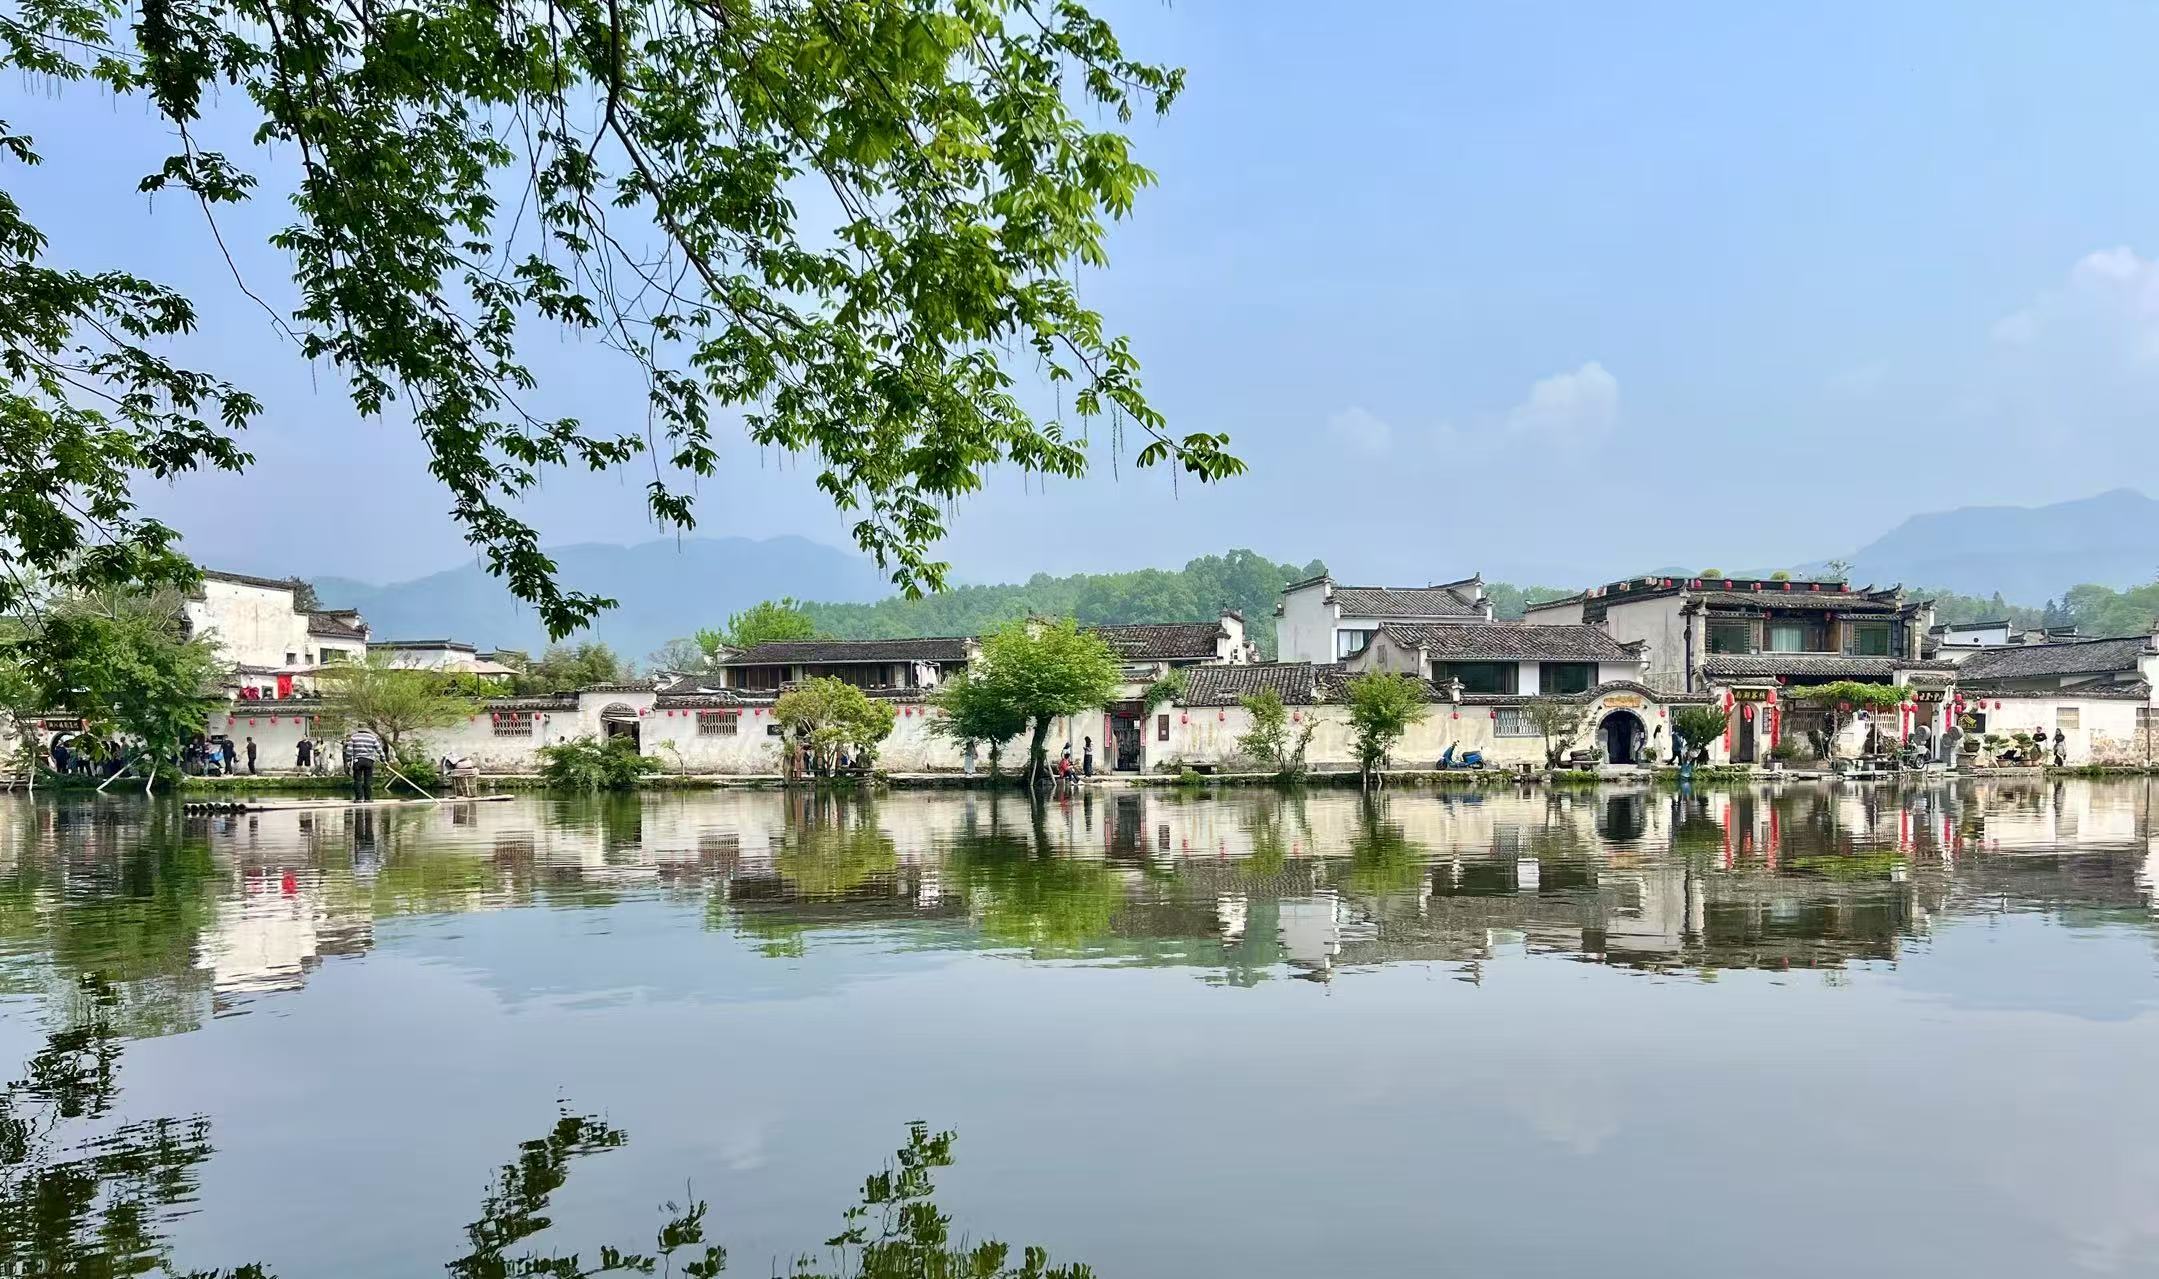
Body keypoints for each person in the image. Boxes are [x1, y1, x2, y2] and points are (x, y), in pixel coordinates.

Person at [345, 723, 383, 802]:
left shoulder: (353, 737)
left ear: (358, 728)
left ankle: (358, 799)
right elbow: (379, 750)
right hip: (369, 761)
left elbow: (349, 750)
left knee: (357, 780)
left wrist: (348, 760)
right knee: (368, 780)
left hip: (357, 760)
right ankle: (368, 799)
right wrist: (383, 759)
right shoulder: (372, 738)